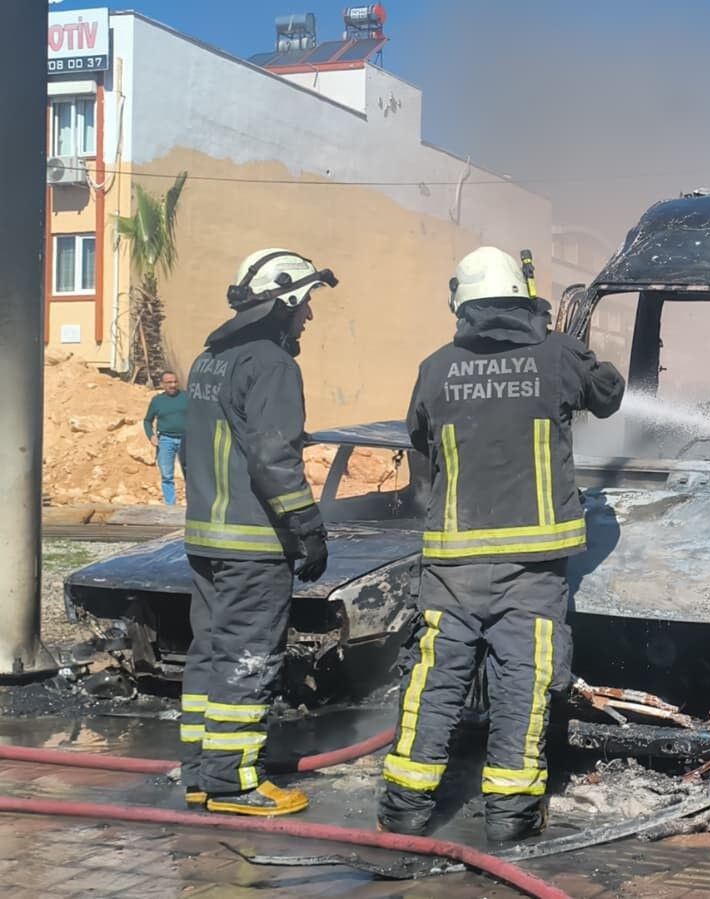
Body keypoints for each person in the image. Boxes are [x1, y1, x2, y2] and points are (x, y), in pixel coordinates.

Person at [378, 247, 625, 842]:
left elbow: (419, 438)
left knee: (434, 682)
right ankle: (511, 816)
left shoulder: (436, 366)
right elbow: (608, 394)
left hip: (452, 564)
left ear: (462, 306)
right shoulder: (557, 355)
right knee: (524, 684)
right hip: (531, 567)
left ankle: (404, 808)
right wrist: (570, 348)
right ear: (524, 298)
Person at [181, 248, 336, 816]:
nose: (309, 316)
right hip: (253, 545)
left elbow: (195, 452)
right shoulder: (272, 365)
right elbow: (274, 459)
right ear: (286, 300)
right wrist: (307, 528)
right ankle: (234, 784)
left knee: (210, 654)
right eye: (306, 303)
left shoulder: (209, 361)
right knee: (249, 658)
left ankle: (202, 773)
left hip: (206, 540)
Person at [143, 370, 188, 505]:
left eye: (175, 382)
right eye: (169, 382)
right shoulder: (157, 401)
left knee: (190, 474)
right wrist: (151, 436)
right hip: (165, 440)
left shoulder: (187, 397)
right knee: (167, 475)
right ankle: (170, 506)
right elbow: (147, 420)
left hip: (186, 440)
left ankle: (192, 504)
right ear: (162, 384)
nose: (173, 385)